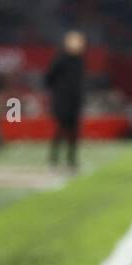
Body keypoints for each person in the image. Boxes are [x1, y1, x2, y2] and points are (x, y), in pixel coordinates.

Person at [44, 31, 85, 170]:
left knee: (74, 132)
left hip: (75, 102)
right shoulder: (61, 59)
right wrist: (59, 91)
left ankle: (71, 160)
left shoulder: (80, 60)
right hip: (62, 101)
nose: (79, 45)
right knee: (60, 130)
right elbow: (49, 77)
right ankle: (53, 159)